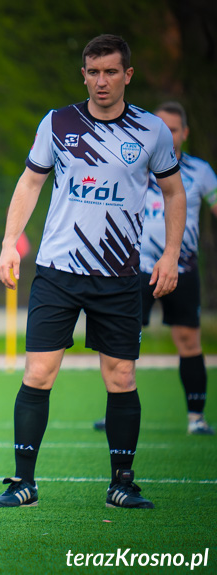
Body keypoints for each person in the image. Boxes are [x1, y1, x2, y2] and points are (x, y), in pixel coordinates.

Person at [0, 34, 186, 510]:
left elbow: (175, 193)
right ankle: (23, 483)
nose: (102, 81)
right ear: (84, 74)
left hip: (120, 275)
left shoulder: (151, 131)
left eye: (111, 72)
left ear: (127, 75)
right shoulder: (58, 123)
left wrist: (170, 255)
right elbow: (31, 182)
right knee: (38, 374)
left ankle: (122, 483)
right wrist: (8, 244)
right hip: (58, 271)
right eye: (93, 72)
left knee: (121, 378)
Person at [94, 102, 217, 435]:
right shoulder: (131, 165)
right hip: (132, 269)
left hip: (181, 268)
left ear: (185, 133)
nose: (167, 135)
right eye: (161, 127)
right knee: (120, 341)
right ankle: (114, 414)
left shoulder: (201, 172)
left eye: (174, 129)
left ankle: (196, 417)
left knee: (188, 340)